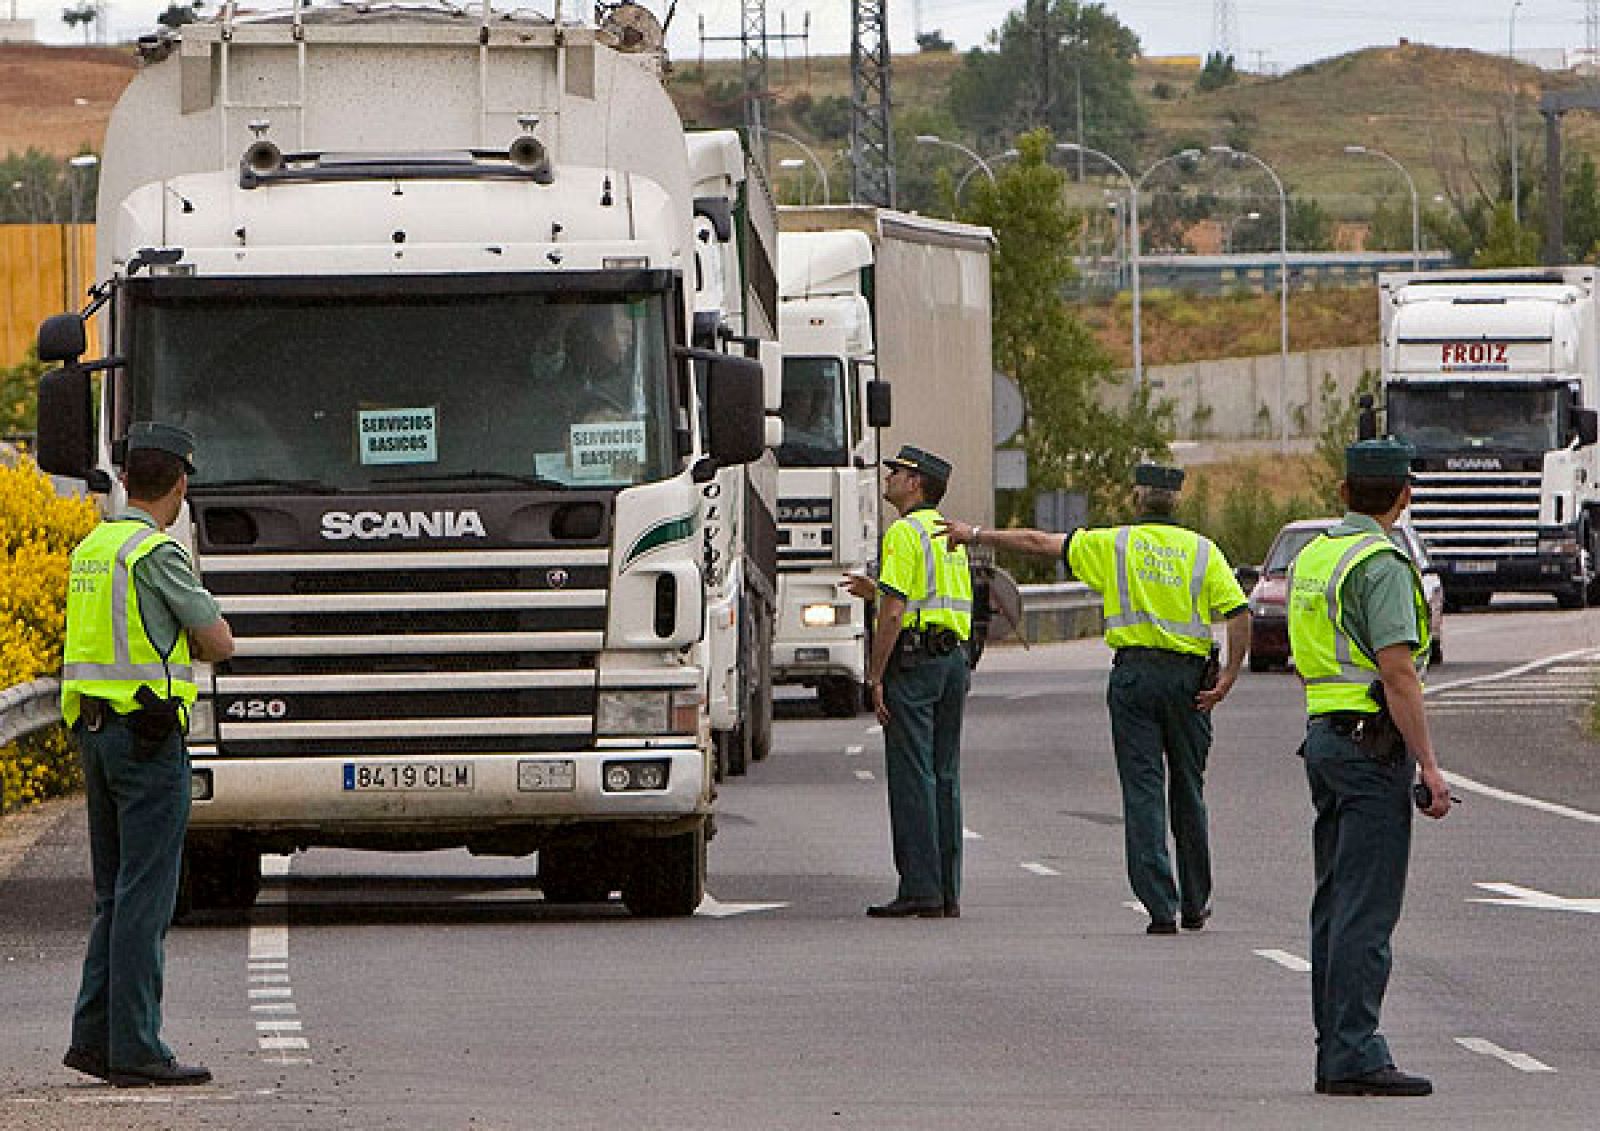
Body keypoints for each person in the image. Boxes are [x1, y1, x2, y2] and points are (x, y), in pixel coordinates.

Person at [939, 463, 1250, 935]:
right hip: (1189, 682)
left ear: (1137, 499)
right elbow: (1238, 612)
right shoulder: (1203, 551)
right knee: (1188, 789)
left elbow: (1040, 543)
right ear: (1177, 503)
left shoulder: (1115, 543)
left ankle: (1160, 906)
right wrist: (1228, 675)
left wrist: (976, 533)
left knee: (1143, 789)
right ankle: (1195, 901)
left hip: (1134, 679)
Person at [60, 422, 235, 1089]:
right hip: (147, 738)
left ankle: (93, 1037)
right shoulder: (155, 554)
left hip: (95, 735)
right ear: (181, 484)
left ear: (127, 478)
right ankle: (136, 1044)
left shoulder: (93, 548)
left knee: (113, 894)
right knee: (145, 896)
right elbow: (218, 640)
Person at [1285, 438, 1451, 1098]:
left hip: (1324, 737)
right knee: (1366, 908)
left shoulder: (1316, 553)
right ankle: (1354, 1049)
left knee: (1335, 902)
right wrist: (1431, 768)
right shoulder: (1381, 563)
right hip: (1369, 746)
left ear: (1344, 492)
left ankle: (1336, 1045)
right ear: (1405, 497)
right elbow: (1398, 671)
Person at [843, 445, 973, 919]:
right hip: (951, 662)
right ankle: (946, 889)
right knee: (944, 775)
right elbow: (927, 598)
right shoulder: (947, 533)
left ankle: (920, 886)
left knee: (912, 775)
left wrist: (875, 676)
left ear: (915, 483)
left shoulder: (903, 533)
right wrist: (874, 590)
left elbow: (896, 612)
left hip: (915, 666)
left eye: (896, 472)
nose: (889, 477)